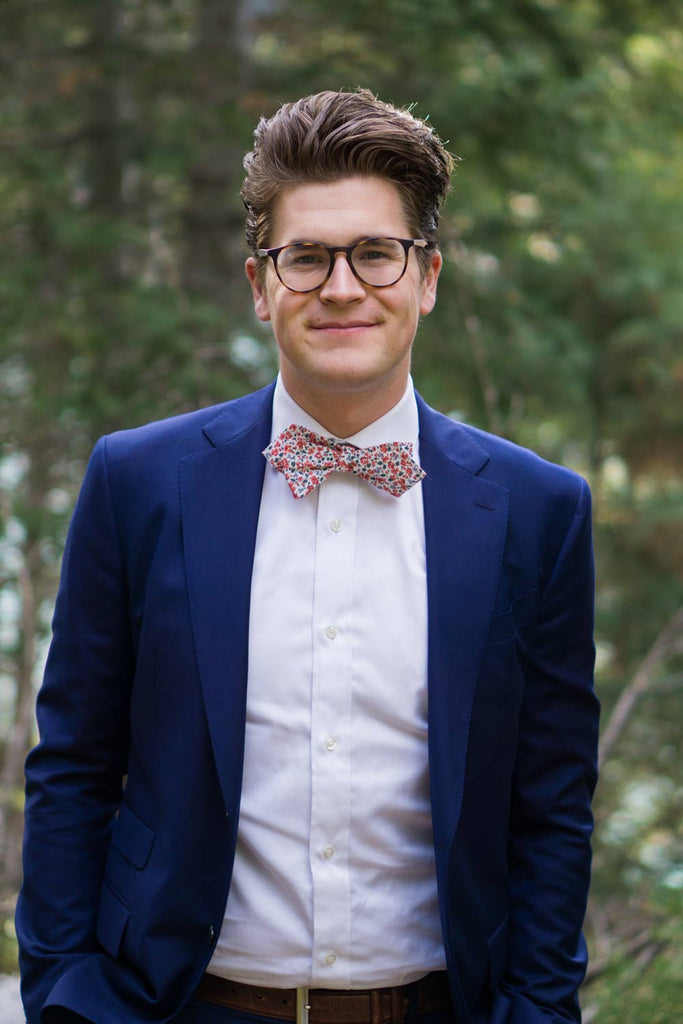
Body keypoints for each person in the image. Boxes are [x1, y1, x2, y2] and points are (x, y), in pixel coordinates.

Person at [17, 89, 600, 1024]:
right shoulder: (138, 481)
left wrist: (536, 1011)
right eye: (306, 257)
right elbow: (77, 766)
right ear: (260, 284)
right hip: (174, 1005)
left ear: (428, 278)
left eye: (376, 253)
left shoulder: (538, 510)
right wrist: (66, 996)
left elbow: (551, 807)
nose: (341, 287)